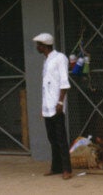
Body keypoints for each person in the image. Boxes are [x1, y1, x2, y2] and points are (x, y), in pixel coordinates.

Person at [34, 32, 73, 180]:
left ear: (44, 46)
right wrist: (43, 108)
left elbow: (64, 82)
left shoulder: (59, 58)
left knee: (61, 137)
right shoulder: (47, 60)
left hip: (57, 105)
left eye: (39, 45)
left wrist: (60, 102)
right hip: (48, 106)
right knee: (52, 138)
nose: (37, 47)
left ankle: (67, 169)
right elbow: (46, 86)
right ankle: (56, 167)